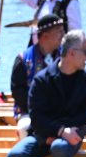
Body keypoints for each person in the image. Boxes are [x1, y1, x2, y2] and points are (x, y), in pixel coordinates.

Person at [6, 29, 86, 157]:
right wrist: (59, 131)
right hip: (43, 135)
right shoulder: (42, 80)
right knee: (14, 156)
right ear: (72, 53)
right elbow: (36, 117)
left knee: (59, 149)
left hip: (72, 133)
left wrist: (63, 132)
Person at [10, 13, 63, 141]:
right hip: (30, 113)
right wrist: (40, 112)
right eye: (59, 32)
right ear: (45, 36)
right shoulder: (23, 59)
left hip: (61, 112)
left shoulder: (66, 56)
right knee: (25, 127)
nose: (63, 35)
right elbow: (18, 93)